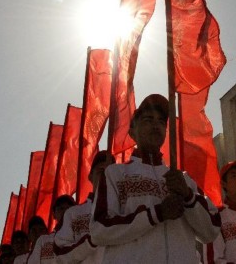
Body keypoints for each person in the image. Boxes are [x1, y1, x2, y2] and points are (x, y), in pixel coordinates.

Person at [90, 94, 221, 263]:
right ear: (132, 132)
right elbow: (99, 230)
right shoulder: (115, 174)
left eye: (161, 121)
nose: (155, 125)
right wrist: (156, 214)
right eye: (148, 119)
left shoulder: (182, 180)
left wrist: (188, 197)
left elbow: (211, 231)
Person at [53, 150, 111, 263]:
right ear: (90, 176)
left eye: (110, 172)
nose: (105, 176)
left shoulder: (124, 209)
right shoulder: (73, 214)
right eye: (101, 171)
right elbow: (60, 253)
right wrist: (90, 242)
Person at [27, 195, 75, 264]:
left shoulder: (81, 235)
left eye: (68, 208)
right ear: (54, 214)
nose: (65, 211)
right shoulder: (43, 241)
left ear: (76, 211)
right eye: (61, 208)